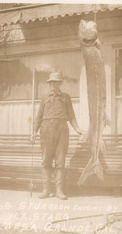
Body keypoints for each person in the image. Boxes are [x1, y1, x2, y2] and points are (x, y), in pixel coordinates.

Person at [31, 71, 83, 200]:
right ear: (50, 84)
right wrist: (33, 132)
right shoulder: (44, 98)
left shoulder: (66, 97)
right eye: (52, 82)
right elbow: (38, 117)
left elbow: (71, 116)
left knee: (60, 161)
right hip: (46, 131)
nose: (55, 84)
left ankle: (59, 190)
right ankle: (46, 190)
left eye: (57, 82)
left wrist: (77, 128)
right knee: (46, 161)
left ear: (60, 83)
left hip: (62, 131)